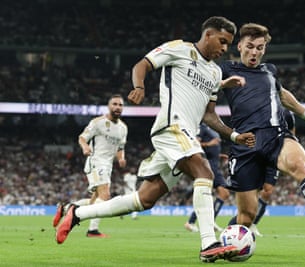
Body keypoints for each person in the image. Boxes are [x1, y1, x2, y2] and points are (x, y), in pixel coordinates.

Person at [54, 16, 256, 263]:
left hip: (187, 136)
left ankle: (76, 212)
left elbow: (210, 115)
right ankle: (208, 244)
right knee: (205, 173)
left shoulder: (214, 73)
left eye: (228, 44)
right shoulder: (180, 49)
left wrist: (234, 134)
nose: (225, 49)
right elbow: (142, 65)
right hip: (171, 127)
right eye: (222, 41)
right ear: (208, 34)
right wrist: (138, 86)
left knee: (143, 200)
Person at [209, 22, 305, 232]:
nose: (255, 52)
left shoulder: (269, 71)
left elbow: (282, 94)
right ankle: (226, 240)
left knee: (299, 165)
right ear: (240, 46)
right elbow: (203, 88)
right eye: (250, 46)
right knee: (246, 217)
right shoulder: (225, 69)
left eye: (260, 48)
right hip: (246, 143)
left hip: (276, 135)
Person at [52, 94, 128, 238]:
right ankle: (92, 230)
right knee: (105, 197)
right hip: (96, 162)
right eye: (115, 104)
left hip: (108, 166)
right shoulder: (98, 122)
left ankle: (65, 208)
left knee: (94, 200)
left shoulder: (123, 128)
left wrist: (121, 158)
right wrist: (85, 147)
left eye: (120, 105)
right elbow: (82, 137)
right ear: (109, 106)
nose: (117, 107)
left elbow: (120, 147)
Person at [250, 109, 295, 237]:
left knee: (267, 190)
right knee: (252, 191)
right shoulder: (261, 108)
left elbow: (292, 131)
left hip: (274, 154)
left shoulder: (287, 113)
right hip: (258, 150)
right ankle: (241, 223)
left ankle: (253, 224)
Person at [184, 122, 230, 233]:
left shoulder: (211, 128)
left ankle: (196, 222)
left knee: (210, 195)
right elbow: (195, 144)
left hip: (214, 165)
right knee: (223, 193)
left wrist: (218, 155)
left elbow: (210, 150)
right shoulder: (202, 127)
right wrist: (210, 144)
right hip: (210, 167)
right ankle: (195, 222)